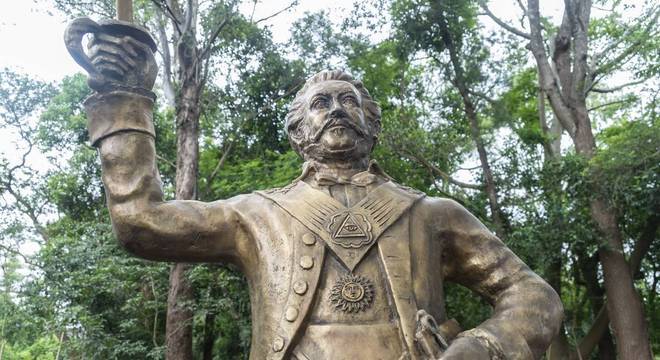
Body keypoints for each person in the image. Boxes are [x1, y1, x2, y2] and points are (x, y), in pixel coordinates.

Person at [78, 26, 562, 359]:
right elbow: (142, 223)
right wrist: (125, 99)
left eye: (348, 101)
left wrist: (484, 346)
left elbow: (533, 295)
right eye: (320, 103)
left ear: (371, 124)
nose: (335, 109)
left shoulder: (433, 215)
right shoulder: (255, 216)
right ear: (296, 132)